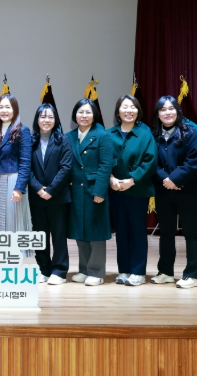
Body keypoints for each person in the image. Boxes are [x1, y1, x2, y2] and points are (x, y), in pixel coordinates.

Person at [151, 96, 197, 289]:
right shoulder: (153, 134)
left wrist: (175, 179)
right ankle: (165, 271)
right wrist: (166, 180)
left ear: (178, 111)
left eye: (171, 109)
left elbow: (194, 161)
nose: (167, 112)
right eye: (163, 109)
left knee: (191, 232)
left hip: (187, 190)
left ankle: (192, 275)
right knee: (166, 232)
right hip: (163, 190)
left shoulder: (191, 131)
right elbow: (151, 161)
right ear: (158, 114)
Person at [107, 95, 157, 287]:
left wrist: (132, 179)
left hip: (138, 190)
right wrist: (111, 178)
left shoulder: (145, 134)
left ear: (138, 111)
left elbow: (150, 161)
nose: (129, 110)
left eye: (133, 107)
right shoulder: (109, 134)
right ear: (118, 111)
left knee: (137, 231)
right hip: (115, 190)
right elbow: (103, 159)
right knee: (121, 231)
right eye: (124, 107)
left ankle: (138, 272)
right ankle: (124, 269)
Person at [67, 98, 113, 286]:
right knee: (80, 230)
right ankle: (84, 269)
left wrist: (100, 191)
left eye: (88, 112)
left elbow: (105, 165)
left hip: (95, 189)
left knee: (95, 231)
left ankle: (97, 271)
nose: (84, 116)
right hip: (75, 190)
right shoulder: (68, 136)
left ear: (94, 115)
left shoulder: (102, 136)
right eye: (80, 112)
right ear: (75, 115)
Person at [28, 103, 72, 285]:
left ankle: (59, 271)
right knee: (40, 236)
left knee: (59, 235)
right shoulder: (30, 141)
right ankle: (43, 269)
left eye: (50, 117)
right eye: (43, 117)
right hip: (36, 197)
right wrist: (39, 188)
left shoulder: (64, 140)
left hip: (59, 196)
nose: (46, 120)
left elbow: (66, 167)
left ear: (56, 120)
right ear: (37, 120)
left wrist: (51, 190)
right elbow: (26, 168)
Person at [0, 94, 33, 257]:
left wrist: (19, 188)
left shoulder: (23, 130)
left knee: (14, 220)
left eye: (8, 107)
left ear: (15, 110)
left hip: (14, 180)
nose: (4, 110)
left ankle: (15, 257)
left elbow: (26, 162)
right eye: (1, 107)